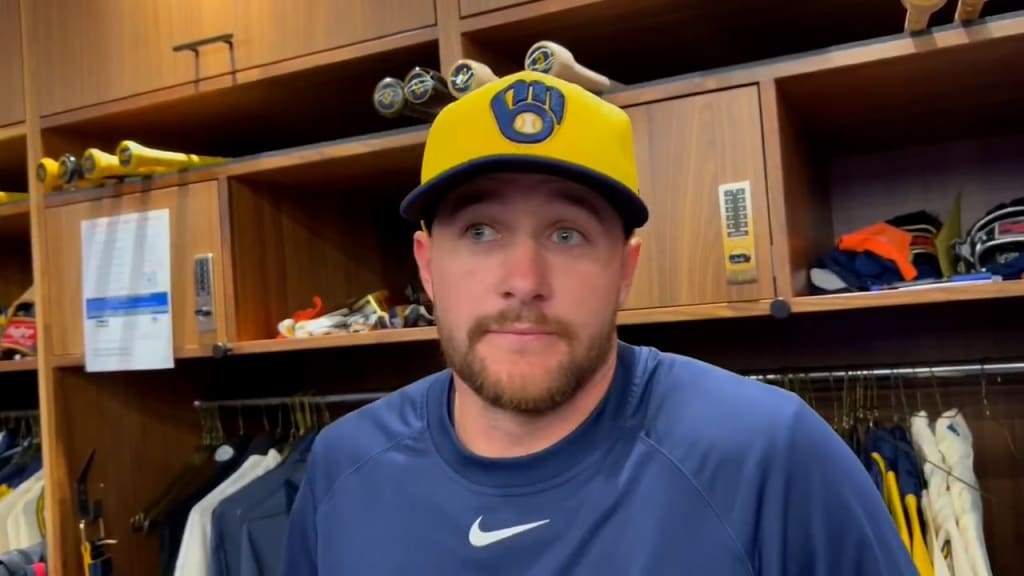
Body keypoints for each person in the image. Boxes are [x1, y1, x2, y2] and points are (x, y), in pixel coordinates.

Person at [281, 70, 918, 575]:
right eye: (480, 231)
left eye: (567, 233)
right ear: (427, 265)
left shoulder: (770, 455)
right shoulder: (344, 467)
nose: (524, 280)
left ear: (625, 269)